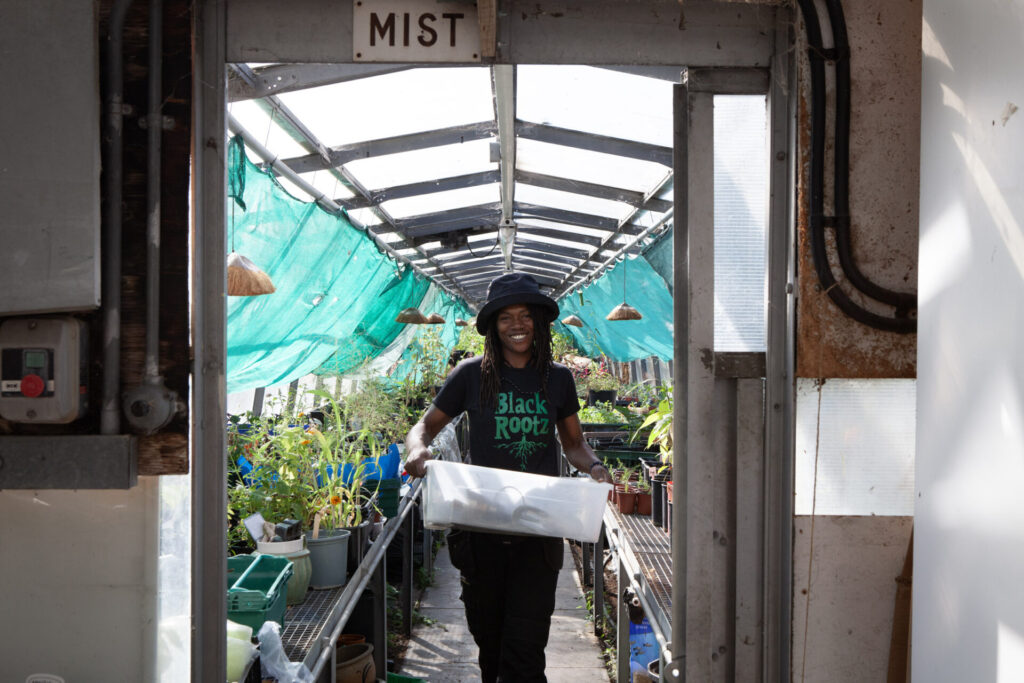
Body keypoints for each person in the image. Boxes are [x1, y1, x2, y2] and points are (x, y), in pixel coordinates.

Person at [404, 272, 612, 683]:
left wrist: (595, 467)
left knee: (526, 648)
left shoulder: (558, 379)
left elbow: (573, 443)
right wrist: (416, 449)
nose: (516, 325)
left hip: (538, 532)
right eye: (505, 317)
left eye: (524, 315)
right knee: (491, 645)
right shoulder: (470, 375)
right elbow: (423, 427)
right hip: (481, 531)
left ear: (538, 320)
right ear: (493, 326)